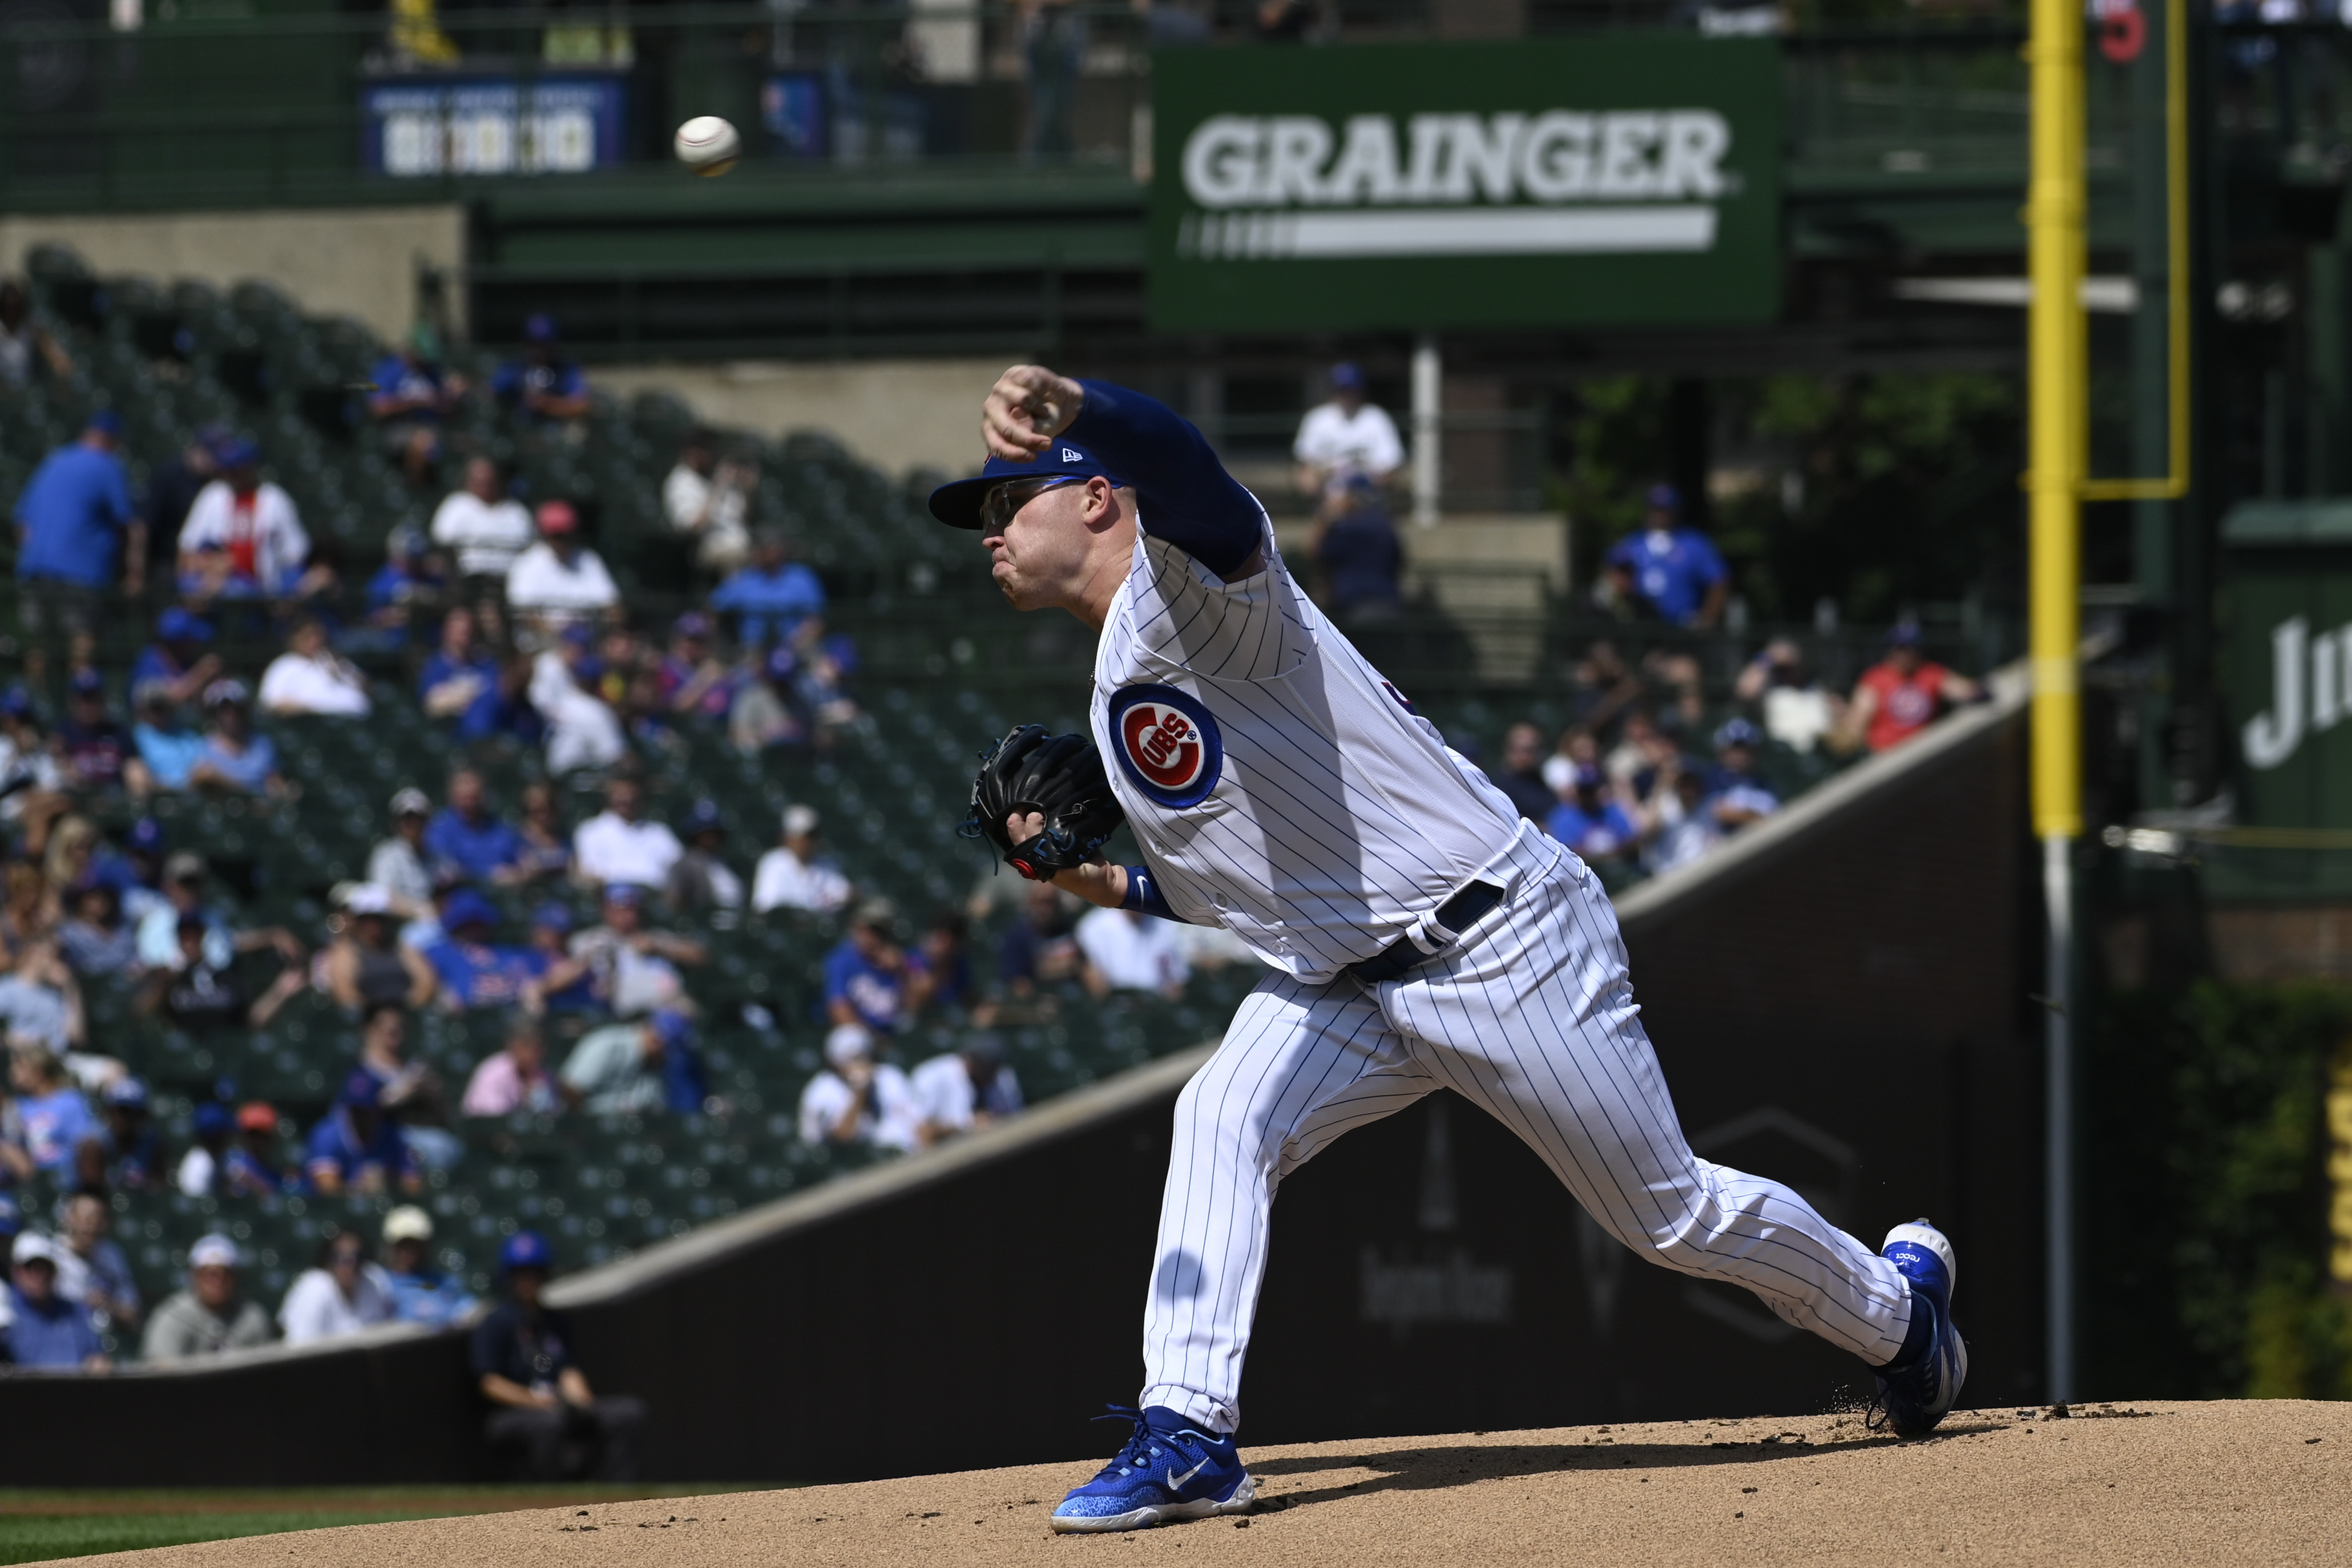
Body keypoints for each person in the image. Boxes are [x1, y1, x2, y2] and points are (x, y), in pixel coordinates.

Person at [929, 367, 1966, 1531]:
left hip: (1498, 943)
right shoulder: (1127, 673)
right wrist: (1079, 877)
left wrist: (1081, 405)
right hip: (1352, 980)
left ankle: (1897, 1315)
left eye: (1007, 502)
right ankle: (1187, 1435)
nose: (989, 531)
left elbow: (1194, 478)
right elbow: (1258, 893)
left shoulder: (1191, 594)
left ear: (1100, 503)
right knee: (1221, 1117)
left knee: (1667, 1219)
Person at [472, 1230, 645, 1480]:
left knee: (628, 1413)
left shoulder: (553, 1321)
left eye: (534, 1273)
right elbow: (490, 1384)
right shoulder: (496, 1322)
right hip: (515, 1411)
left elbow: (568, 1370)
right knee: (551, 1425)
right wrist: (535, 1401)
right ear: (509, 1277)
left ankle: (623, 1496)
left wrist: (583, 1401)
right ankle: (550, 1502)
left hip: (556, 1405)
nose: (528, 1280)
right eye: (521, 1274)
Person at [13, 411, 142, 654]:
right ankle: (80, 692)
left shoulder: (55, 459)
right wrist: (133, 573)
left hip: (36, 567)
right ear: (111, 439)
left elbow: (22, 526)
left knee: (41, 642)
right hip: (81, 572)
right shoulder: (108, 466)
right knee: (82, 636)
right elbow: (128, 525)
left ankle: (35, 691)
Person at [176, 438, 321, 607]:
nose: (232, 474)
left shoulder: (274, 499)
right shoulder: (213, 495)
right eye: (229, 469)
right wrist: (212, 568)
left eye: (237, 469)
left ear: (251, 468)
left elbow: (296, 554)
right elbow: (187, 550)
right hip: (214, 588)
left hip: (262, 592)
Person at [1600, 484, 1729, 629]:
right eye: (1655, 509)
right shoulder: (1631, 545)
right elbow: (1610, 574)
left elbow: (1719, 580)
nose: (1660, 514)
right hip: (1638, 626)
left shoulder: (1695, 544)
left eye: (1665, 509)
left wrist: (1708, 618)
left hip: (1682, 628)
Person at [1844, 624, 1982, 753]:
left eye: (1910, 649)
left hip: (1922, 752)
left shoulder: (1931, 673)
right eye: (1900, 648)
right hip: (1885, 754)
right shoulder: (1875, 679)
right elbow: (1859, 718)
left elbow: (1962, 690)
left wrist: (1977, 691)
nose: (1905, 654)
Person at [141, 1234, 274, 1360]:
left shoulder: (251, 1317)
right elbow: (161, 1369)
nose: (218, 1282)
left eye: (226, 1274)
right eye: (210, 1274)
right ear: (194, 1276)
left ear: (236, 1277)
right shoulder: (173, 1315)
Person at [368, 324, 467, 487]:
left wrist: (455, 396)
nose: (424, 361)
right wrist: (417, 403)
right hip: (399, 429)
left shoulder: (432, 371)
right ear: (411, 350)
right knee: (423, 441)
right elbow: (378, 408)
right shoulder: (390, 370)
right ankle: (417, 492)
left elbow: (444, 405)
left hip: (435, 427)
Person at [795, 1021, 918, 1150]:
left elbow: (917, 1121)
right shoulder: (820, 1091)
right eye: (852, 1059)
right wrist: (860, 1091)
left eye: (863, 1056)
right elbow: (842, 1139)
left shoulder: (889, 1076)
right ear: (834, 1064)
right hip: (835, 1158)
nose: (860, 1064)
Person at [1291, 362, 1403, 502]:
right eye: (1342, 390)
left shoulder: (1376, 419)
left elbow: (1391, 470)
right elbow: (1305, 473)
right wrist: (1326, 477)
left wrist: (1358, 481)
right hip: (1327, 496)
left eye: (1352, 390)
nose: (1347, 396)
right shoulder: (1317, 419)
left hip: (1368, 497)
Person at [558, 1008, 701, 1115]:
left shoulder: (655, 1071)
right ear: (655, 1041)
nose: (669, 1057)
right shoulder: (609, 1045)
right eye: (668, 1050)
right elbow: (569, 1089)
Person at [527, 623, 627, 775]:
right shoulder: (547, 665)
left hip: (562, 746)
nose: (577, 652)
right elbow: (538, 700)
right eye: (574, 647)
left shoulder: (571, 675)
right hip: (543, 732)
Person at [505, 502, 619, 633]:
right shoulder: (527, 564)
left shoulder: (589, 560)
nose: (562, 541)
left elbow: (612, 604)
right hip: (542, 642)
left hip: (587, 640)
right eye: (556, 535)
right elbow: (522, 611)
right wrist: (557, 638)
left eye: (566, 535)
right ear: (545, 534)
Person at [304, 1072, 422, 1197]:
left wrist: (390, 1179)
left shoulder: (391, 1134)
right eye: (356, 1109)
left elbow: (414, 1184)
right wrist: (359, 1189)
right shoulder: (327, 1134)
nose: (360, 1116)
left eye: (366, 1110)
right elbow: (326, 1188)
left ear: (377, 1107)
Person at [432, 457, 536, 595]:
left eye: (489, 480)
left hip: (508, 582)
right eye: (479, 480)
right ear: (469, 480)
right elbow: (442, 543)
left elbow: (529, 550)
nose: (484, 484)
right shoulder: (456, 505)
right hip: (466, 582)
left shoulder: (516, 512)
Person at [325, 883, 438, 1010]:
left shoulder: (401, 948)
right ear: (358, 920)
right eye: (368, 919)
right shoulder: (345, 951)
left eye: (379, 919)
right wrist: (377, 1014)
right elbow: (344, 992)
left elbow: (427, 982)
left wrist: (404, 1009)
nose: (374, 925)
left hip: (404, 1012)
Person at [709, 528, 826, 649]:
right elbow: (713, 609)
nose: (768, 552)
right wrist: (717, 650)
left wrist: (795, 644)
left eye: (772, 547)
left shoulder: (802, 577)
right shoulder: (745, 578)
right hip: (751, 650)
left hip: (795, 649)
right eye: (764, 547)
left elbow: (816, 621)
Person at [823, 898, 926, 1035]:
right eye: (866, 928)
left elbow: (924, 988)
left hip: (895, 1032)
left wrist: (903, 967)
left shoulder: (901, 959)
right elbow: (839, 1011)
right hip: (861, 1036)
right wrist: (876, 1040)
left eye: (878, 931)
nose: (869, 935)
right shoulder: (840, 961)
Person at [426, 891, 542, 1013]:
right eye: (465, 926)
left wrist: (536, 988)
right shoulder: (439, 953)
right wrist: (440, 994)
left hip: (512, 1019)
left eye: (477, 925)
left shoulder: (511, 953)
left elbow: (545, 976)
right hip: (467, 1020)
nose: (472, 932)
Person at [6, 1233, 109, 1370]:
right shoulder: (5, 1312)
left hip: (74, 1389)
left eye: (47, 1267)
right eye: (32, 1267)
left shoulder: (76, 1312)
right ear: (16, 1271)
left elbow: (96, 1357)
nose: (40, 1275)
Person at [420, 605, 522, 742]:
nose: (464, 634)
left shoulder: (486, 664)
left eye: (468, 630)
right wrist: (465, 694)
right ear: (446, 630)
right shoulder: (436, 666)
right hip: (454, 741)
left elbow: (502, 692)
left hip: (492, 737)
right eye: (459, 630)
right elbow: (432, 705)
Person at [279, 1229, 397, 1345]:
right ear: (327, 1260)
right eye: (339, 1258)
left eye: (357, 1257)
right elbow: (299, 1349)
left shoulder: (374, 1281)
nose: (350, 1265)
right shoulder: (314, 1287)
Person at [7, 1045, 104, 1186]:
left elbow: (83, 1145)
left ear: (39, 1070)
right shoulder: (19, 1106)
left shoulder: (71, 1101)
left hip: (68, 1180)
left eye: (20, 1067)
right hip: (34, 1184)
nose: (12, 1072)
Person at [661, 430, 753, 575]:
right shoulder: (681, 482)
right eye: (706, 451)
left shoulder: (712, 476)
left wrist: (745, 490)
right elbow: (694, 527)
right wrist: (717, 488)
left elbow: (741, 516)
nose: (710, 456)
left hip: (737, 539)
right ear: (692, 453)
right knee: (736, 555)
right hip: (704, 546)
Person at [1736, 636, 1844, 755]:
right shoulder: (1768, 686)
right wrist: (1769, 658)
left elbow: (1842, 713)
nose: (1788, 669)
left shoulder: (1816, 687)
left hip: (1823, 750)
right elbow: (1746, 690)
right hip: (1785, 753)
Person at [54, 1188, 140, 1336]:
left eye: (98, 1219)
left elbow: (133, 1315)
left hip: (108, 1338)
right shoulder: (50, 1254)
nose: (91, 1225)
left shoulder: (112, 1254)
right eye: (85, 1218)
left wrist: (110, 1305)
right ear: (70, 1219)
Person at [911, 1033, 1023, 1146]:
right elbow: (923, 1132)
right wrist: (969, 1126)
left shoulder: (1003, 1076)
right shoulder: (933, 1075)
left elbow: (1017, 1119)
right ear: (970, 1060)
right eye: (986, 1066)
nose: (992, 1074)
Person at [572, 776, 681, 891]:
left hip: (656, 896)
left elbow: (679, 866)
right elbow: (591, 874)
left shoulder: (660, 832)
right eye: (621, 793)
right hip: (613, 898)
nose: (628, 799)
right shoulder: (590, 830)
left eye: (632, 793)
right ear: (609, 795)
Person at [59, 668, 152, 798]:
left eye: (95, 698)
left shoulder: (119, 732)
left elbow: (134, 766)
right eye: (85, 699)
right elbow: (59, 770)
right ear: (73, 701)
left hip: (117, 800)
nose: (90, 705)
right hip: (80, 800)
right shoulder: (64, 732)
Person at [381, 1205, 478, 1328]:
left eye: (415, 1244)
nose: (410, 1251)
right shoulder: (383, 1285)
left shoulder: (444, 1281)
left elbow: (467, 1309)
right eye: (404, 1245)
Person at [190, 680, 288, 797]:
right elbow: (199, 779)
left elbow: (274, 781)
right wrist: (246, 794)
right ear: (213, 714)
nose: (230, 714)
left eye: (235, 708)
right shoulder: (202, 747)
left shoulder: (262, 744)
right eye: (223, 709)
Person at [426, 769, 525, 884]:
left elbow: (520, 858)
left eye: (475, 796)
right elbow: (445, 870)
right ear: (452, 794)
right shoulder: (440, 828)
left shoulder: (498, 827)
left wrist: (522, 872)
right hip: (461, 896)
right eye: (465, 797)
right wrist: (488, 876)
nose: (470, 801)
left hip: (506, 894)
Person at [491, 314, 592, 426]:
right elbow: (489, 394)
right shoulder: (514, 368)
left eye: (545, 345)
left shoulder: (566, 370)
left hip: (554, 435)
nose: (539, 350)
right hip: (518, 433)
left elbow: (582, 406)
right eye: (534, 344)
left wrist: (548, 404)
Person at [258, 618, 372, 717]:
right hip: (316, 727)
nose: (315, 641)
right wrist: (309, 709)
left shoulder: (333, 660)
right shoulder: (284, 665)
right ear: (295, 639)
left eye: (318, 635)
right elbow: (271, 704)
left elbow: (366, 688)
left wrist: (340, 671)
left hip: (357, 722)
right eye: (308, 636)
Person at [750, 805, 852, 915]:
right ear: (787, 837)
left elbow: (846, 894)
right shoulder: (773, 863)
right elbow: (765, 908)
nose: (806, 842)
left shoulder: (828, 865)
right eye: (801, 836)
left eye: (812, 835)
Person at [462, 1013, 563, 1117]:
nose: (535, 1053)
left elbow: (553, 1118)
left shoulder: (544, 1075)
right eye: (527, 1045)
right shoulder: (494, 1073)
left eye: (539, 1047)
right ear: (513, 1045)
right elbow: (496, 1123)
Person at [997, 879, 1080, 996]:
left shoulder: (1069, 931)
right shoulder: (1017, 937)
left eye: (1050, 903)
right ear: (1030, 902)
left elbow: (1085, 967)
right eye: (1040, 902)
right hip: (1039, 997)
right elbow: (1017, 983)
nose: (1044, 909)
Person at [1544, 762, 1640, 865]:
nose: (1588, 796)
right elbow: (1565, 853)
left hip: (1622, 865)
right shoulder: (1562, 818)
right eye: (1584, 792)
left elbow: (1633, 839)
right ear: (1577, 791)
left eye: (1591, 791)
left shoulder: (1610, 809)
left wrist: (1613, 852)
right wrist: (1595, 856)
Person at [0, 940, 84, 1054]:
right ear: (35, 955)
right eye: (53, 956)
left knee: (111, 1068)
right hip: (27, 1059)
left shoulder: (54, 994)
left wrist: (70, 988)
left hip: (59, 1059)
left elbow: (76, 1036)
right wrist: (12, 1042)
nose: (59, 963)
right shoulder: (8, 988)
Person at [131, 607, 224, 709]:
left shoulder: (184, 662)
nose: (194, 644)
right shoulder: (149, 664)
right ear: (177, 644)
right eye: (189, 641)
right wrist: (201, 674)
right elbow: (169, 700)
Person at [664, 799, 741, 918]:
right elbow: (674, 902)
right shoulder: (684, 865)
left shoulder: (724, 863)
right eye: (705, 833)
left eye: (714, 833)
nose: (711, 838)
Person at [1704, 718, 1781, 831]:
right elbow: (1720, 813)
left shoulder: (1764, 782)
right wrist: (1758, 820)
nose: (1740, 755)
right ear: (1723, 752)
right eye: (1735, 749)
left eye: (1745, 749)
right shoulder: (1713, 778)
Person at [368, 789, 437, 914]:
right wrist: (420, 912)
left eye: (419, 818)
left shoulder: (438, 857)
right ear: (396, 823)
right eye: (407, 819)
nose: (413, 824)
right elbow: (383, 897)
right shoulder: (385, 856)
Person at [0, 278, 72, 386]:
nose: (13, 310)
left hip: (25, 386)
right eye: (9, 305)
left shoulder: (32, 326)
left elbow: (53, 353)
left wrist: (60, 365)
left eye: (17, 305)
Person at [100, 1075, 167, 1189]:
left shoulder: (153, 1144)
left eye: (131, 1113)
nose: (123, 1118)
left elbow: (159, 1187)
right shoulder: (95, 1145)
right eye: (120, 1111)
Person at [1490, 722, 1556, 825]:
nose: (1529, 756)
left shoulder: (1540, 781)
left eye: (1535, 749)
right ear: (1509, 750)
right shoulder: (1497, 788)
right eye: (1525, 750)